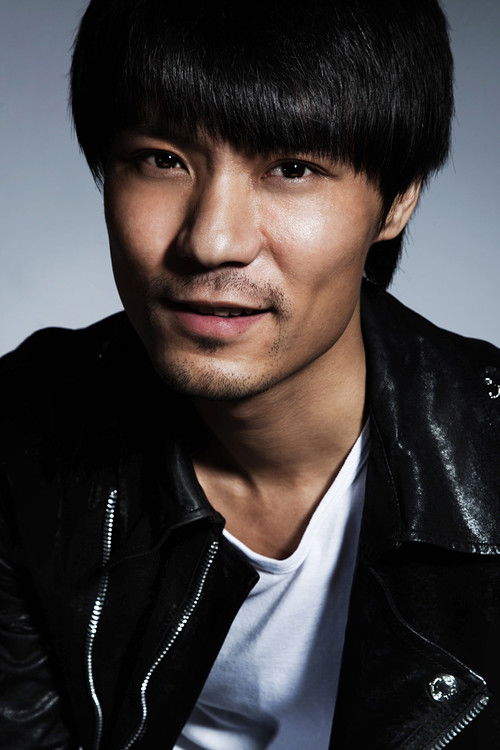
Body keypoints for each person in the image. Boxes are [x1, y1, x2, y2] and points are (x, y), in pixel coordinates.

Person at [1, 0, 499, 748]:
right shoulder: (26, 432)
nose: (212, 241)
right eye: (162, 159)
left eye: (292, 168)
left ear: (397, 199)